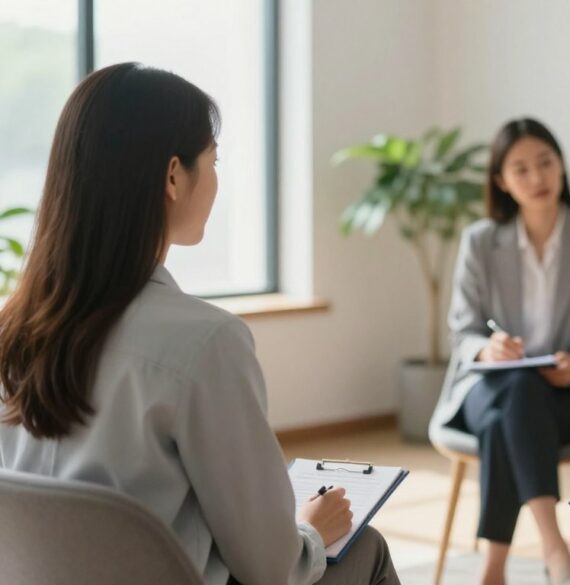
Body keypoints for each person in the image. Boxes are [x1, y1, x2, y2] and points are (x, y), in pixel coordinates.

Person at [0, 63, 399, 585]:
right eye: (213, 159)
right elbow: (269, 567)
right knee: (362, 546)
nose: (216, 177)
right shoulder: (205, 341)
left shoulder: (14, 330)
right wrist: (308, 531)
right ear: (172, 175)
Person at [435, 117, 570, 585]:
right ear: (502, 181)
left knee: (510, 413)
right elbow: (463, 333)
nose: (537, 177)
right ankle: (554, 549)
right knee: (515, 390)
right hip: (488, 388)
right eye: (521, 169)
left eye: (545, 163)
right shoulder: (481, 242)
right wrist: (489, 349)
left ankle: (493, 568)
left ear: (561, 165)